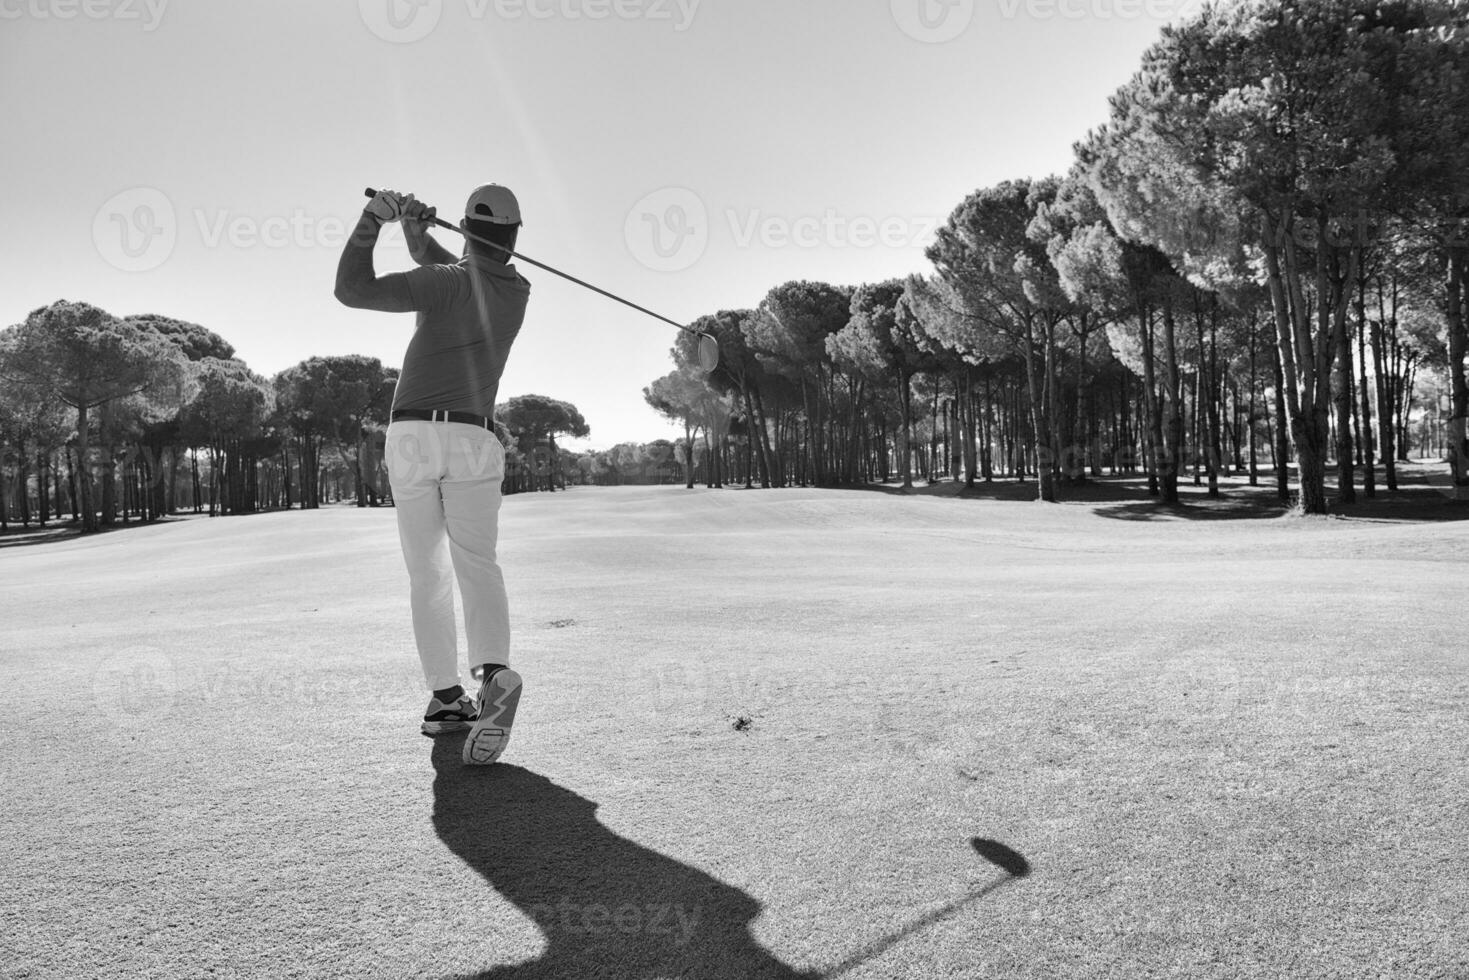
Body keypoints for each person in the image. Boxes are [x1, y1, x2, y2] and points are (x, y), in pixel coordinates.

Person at [335, 185, 530, 765]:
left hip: (414, 435)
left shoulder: (445, 283)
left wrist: (376, 219)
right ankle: (492, 675)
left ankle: (447, 697)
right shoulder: (517, 289)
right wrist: (416, 230)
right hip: (474, 436)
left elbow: (351, 290)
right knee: (478, 562)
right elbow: (449, 261)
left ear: (466, 228)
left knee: (427, 571)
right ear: (515, 237)